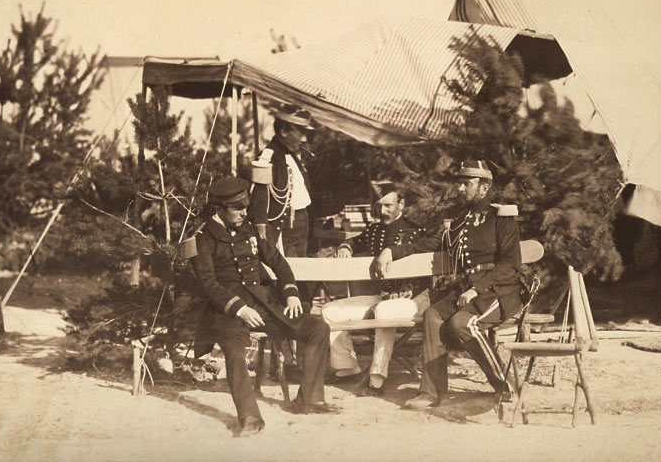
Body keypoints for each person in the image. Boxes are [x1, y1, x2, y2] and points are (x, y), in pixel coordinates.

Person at [190, 176, 339, 437]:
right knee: (235, 352)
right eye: (238, 208)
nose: (245, 213)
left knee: (317, 329)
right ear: (220, 208)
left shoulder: (248, 230)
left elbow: (278, 262)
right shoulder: (203, 238)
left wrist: (290, 293)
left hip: (265, 304)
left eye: (245, 207)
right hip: (227, 312)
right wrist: (238, 309)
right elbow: (207, 283)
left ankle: (309, 400)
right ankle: (250, 417)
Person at [374, 159, 523, 409]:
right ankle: (431, 393)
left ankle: (504, 385)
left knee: (462, 323)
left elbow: (510, 265)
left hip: (500, 290)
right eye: (460, 184)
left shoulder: (501, 217)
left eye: (467, 184)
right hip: (469, 290)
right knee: (433, 315)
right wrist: (391, 250)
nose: (460, 189)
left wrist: (477, 288)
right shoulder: (461, 220)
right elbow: (430, 243)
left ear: (484, 187)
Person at [320, 181, 430, 395]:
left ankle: (377, 377)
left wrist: (405, 279)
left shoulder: (416, 232)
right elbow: (356, 240)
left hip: (413, 301)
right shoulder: (374, 230)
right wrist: (345, 246)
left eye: (388, 205)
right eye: (379, 205)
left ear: (402, 204)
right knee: (330, 311)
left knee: (384, 312)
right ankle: (346, 368)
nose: (383, 211)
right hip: (382, 297)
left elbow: (426, 272)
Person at [250, 105, 315, 257]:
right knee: (290, 268)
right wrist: (261, 226)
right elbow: (259, 196)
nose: (304, 138)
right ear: (284, 131)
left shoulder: (294, 155)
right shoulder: (268, 156)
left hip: (303, 220)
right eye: (300, 132)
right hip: (285, 223)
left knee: (304, 266)